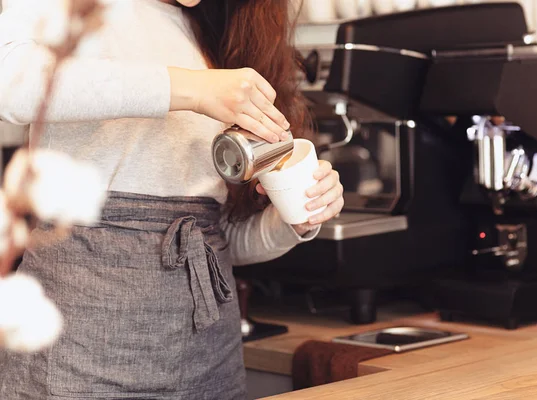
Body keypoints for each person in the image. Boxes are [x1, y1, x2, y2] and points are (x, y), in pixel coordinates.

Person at [0, 0, 344, 398]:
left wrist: (292, 221)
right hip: (82, 344)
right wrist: (190, 89)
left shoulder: (215, 33)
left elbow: (213, 242)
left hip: (209, 354)